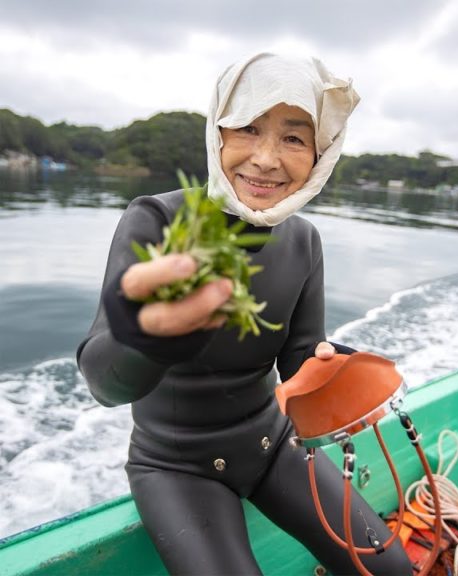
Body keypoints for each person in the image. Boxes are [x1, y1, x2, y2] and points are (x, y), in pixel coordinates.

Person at [77, 53, 414, 575]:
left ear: (320, 154)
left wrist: (335, 369)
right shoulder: (158, 219)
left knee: (389, 569)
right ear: (217, 134)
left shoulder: (304, 240)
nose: (265, 158)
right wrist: (147, 334)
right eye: (248, 129)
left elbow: (300, 357)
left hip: (273, 443)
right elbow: (105, 383)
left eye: (294, 138)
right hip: (176, 465)